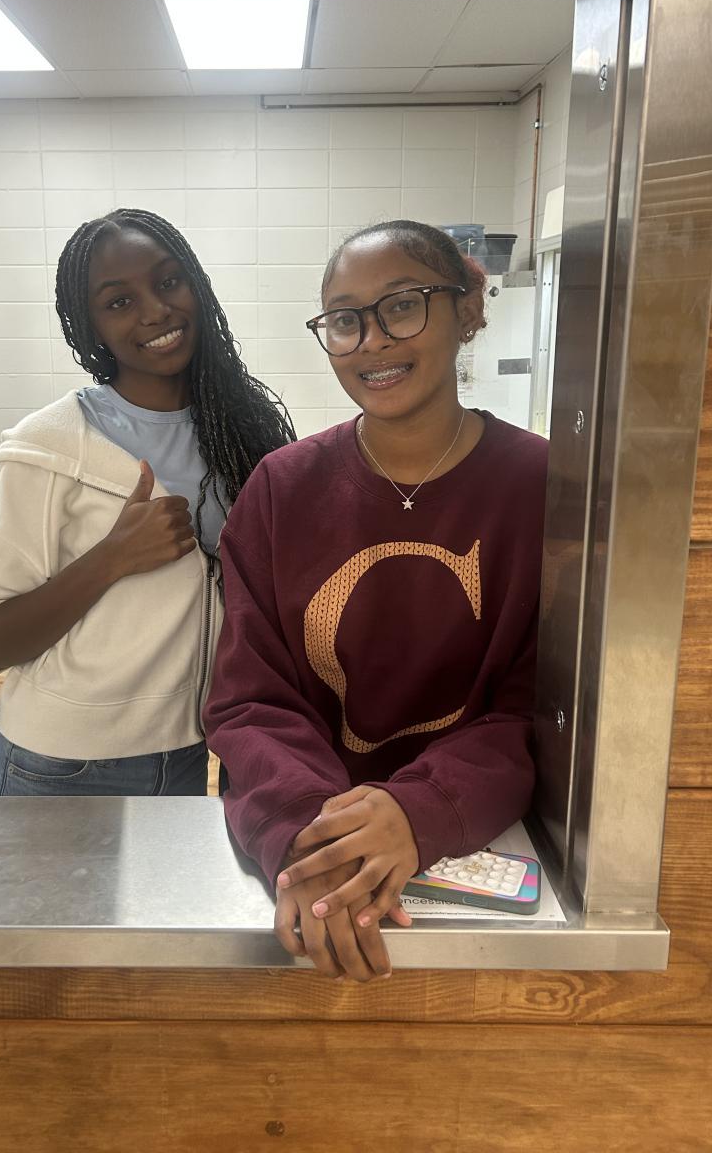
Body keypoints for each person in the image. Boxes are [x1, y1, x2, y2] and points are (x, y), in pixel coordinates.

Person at [204, 221, 547, 981]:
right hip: (310, 856)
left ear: (467, 310)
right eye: (344, 319)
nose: (372, 341)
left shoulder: (542, 486)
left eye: (402, 306)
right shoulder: (282, 489)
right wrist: (316, 837)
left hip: (475, 840)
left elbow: (535, 707)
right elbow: (250, 699)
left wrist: (417, 811)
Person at [0, 208, 294, 797]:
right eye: (119, 301)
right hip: (58, 766)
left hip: (185, 750)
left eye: (168, 281)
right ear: (91, 327)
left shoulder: (242, 431)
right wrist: (111, 558)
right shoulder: (50, 446)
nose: (155, 311)